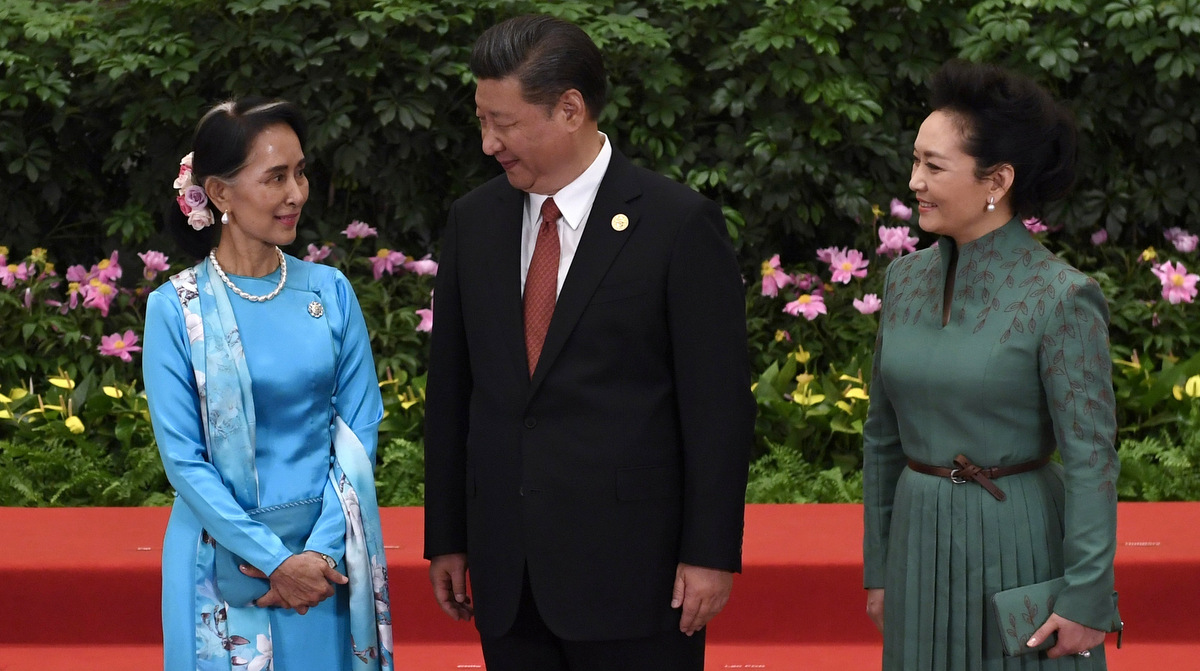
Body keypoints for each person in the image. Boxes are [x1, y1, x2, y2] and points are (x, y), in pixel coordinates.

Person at [422, 14, 756, 671]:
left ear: (569, 109)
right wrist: (448, 537)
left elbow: (718, 409)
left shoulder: (677, 225)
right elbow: (452, 392)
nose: (489, 142)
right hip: (507, 576)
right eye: (481, 119)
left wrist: (711, 551)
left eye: (505, 122)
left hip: (636, 575)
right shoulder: (474, 222)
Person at [862, 61, 1120, 669]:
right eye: (915, 161)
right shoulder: (903, 280)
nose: (914, 181)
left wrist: (1087, 597)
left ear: (996, 180)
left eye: (933, 165)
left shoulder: (1061, 295)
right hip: (916, 544)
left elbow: (1092, 458)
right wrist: (880, 564)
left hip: (1020, 539)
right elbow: (881, 438)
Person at [143, 97, 393, 671]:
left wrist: (317, 557)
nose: (296, 193)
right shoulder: (176, 310)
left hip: (327, 566)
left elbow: (359, 436)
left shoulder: (329, 292)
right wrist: (275, 563)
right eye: (275, 177)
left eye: (300, 172)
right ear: (220, 192)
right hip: (222, 562)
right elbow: (183, 460)